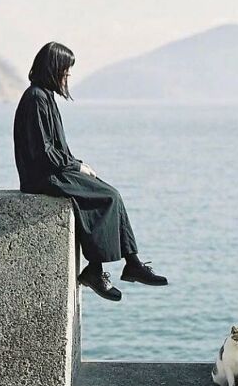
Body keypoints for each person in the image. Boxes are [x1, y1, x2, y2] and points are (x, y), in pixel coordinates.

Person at [13, 41, 168, 302]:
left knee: (108, 193)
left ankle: (127, 264)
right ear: (53, 69)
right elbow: (43, 151)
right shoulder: (36, 98)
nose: (67, 77)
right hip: (42, 177)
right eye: (65, 70)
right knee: (108, 196)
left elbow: (56, 149)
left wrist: (78, 166)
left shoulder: (44, 96)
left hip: (53, 171)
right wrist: (76, 167)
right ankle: (107, 268)